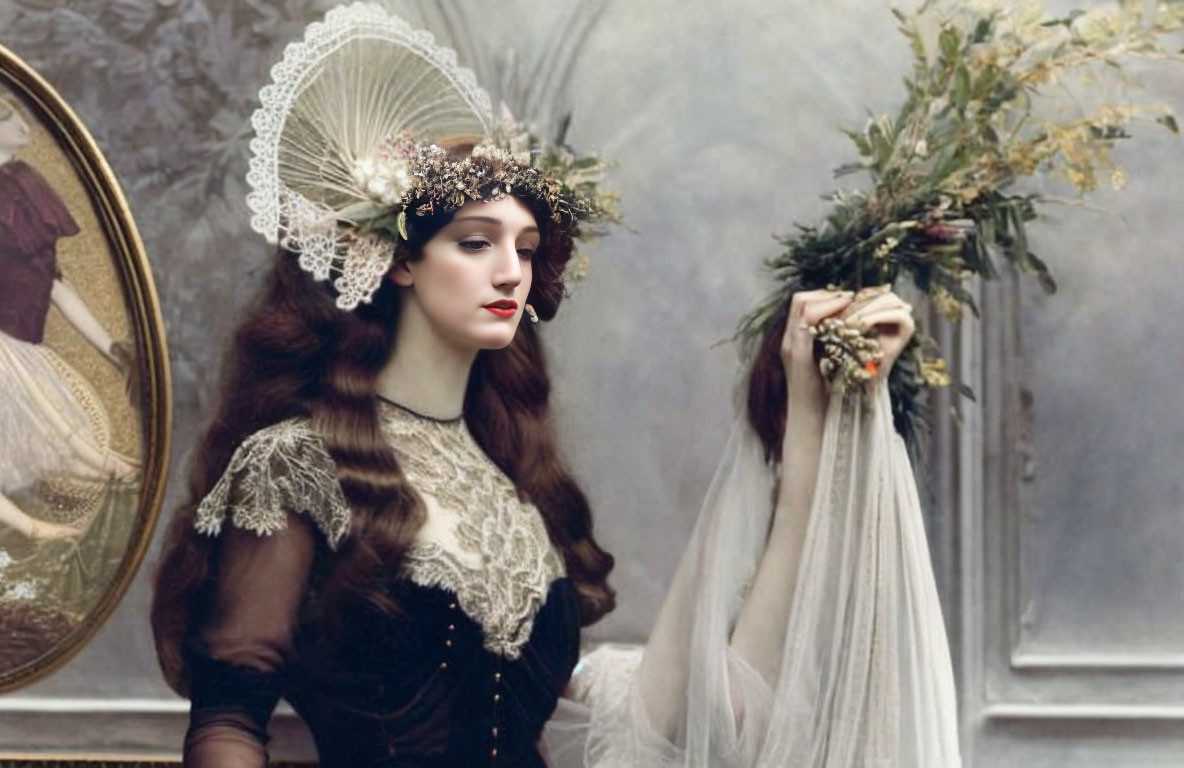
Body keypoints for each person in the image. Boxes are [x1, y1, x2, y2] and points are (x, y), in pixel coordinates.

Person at [151, 5, 960, 767]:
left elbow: (685, 710)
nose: (511, 269)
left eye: (528, 246)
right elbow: (228, 722)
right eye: (476, 242)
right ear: (399, 261)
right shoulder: (294, 464)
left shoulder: (512, 483)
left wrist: (807, 407)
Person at [0, 92, 137, 542]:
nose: (25, 126)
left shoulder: (21, 185)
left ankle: (122, 480)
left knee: (78, 445)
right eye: (10, 118)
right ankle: (40, 527)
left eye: (21, 115)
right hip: (5, 349)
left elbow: (52, 283)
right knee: (72, 441)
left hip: (20, 344)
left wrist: (116, 352)